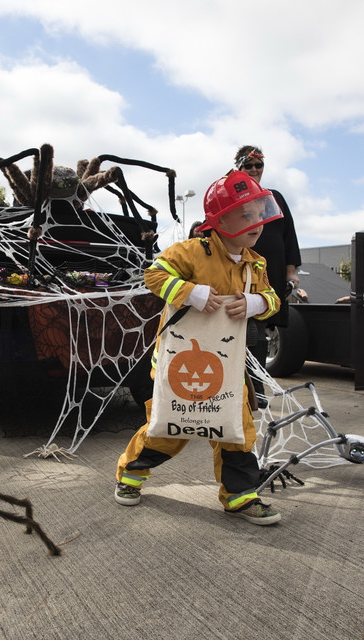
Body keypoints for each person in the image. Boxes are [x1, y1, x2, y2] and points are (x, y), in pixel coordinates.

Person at [114, 171, 283, 525]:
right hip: (178, 361)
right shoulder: (191, 252)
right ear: (219, 221)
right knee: (171, 426)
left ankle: (240, 495)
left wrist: (255, 303)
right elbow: (154, 275)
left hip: (228, 364)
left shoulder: (256, 263)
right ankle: (130, 473)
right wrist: (190, 293)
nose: (256, 223)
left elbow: (273, 300)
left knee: (236, 428)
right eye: (246, 215)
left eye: (259, 214)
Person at [233, 145, 303, 395]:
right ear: (239, 168)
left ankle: (257, 389)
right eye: (248, 165)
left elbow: (289, 234)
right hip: (240, 269)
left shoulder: (274, 197)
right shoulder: (230, 195)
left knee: (260, 330)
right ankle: (236, 387)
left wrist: (291, 271)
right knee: (239, 329)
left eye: (258, 165)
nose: (254, 169)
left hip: (269, 270)